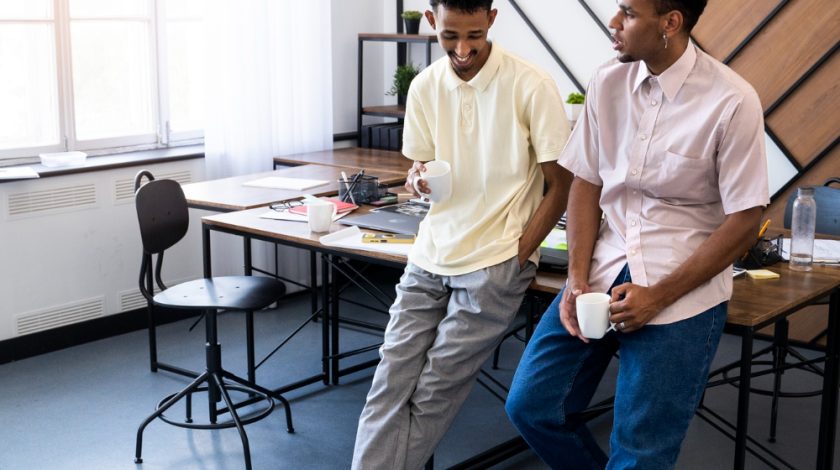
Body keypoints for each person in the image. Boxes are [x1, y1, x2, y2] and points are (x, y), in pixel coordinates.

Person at [505, 0, 769, 468]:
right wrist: (576, 278)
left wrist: (658, 296)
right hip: (603, 270)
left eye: (627, 12)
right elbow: (586, 181)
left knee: (640, 450)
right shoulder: (607, 81)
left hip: (682, 289)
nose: (613, 23)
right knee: (531, 405)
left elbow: (746, 219)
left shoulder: (731, 99)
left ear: (670, 22)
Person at [351, 1, 572, 468]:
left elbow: (562, 185)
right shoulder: (426, 86)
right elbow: (421, 165)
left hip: (494, 261)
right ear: (431, 22)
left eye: (474, 34)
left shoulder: (531, 84)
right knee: (388, 382)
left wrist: (519, 253)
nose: (464, 48)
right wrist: (417, 179)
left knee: (433, 390)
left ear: (492, 18)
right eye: (451, 36)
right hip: (431, 252)